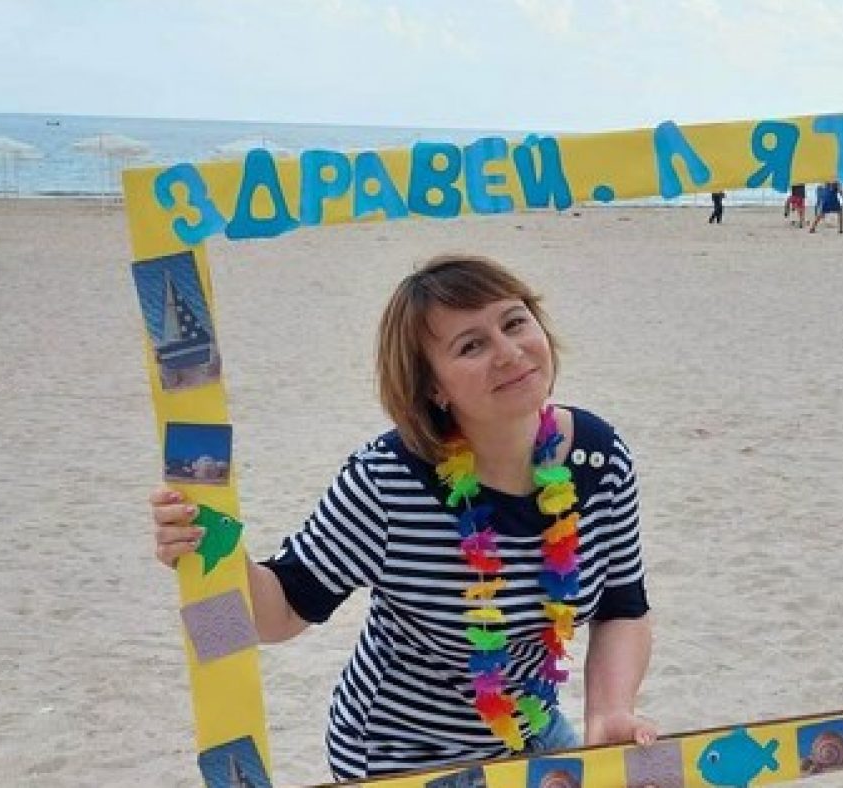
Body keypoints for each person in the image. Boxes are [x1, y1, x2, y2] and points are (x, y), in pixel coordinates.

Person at [151, 254, 655, 781]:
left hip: (531, 729)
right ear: (433, 387)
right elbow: (278, 616)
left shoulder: (599, 458)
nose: (509, 353)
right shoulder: (387, 480)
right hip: (400, 754)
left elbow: (622, 606)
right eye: (471, 346)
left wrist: (609, 711)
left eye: (514, 323)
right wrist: (210, 554)